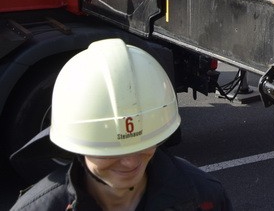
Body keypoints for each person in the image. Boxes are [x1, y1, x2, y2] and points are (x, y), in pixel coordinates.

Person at [11, 38, 231, 210]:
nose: (130, 162)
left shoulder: (206, 199)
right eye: (110, 150)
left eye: (143, 143)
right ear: (78, 142)